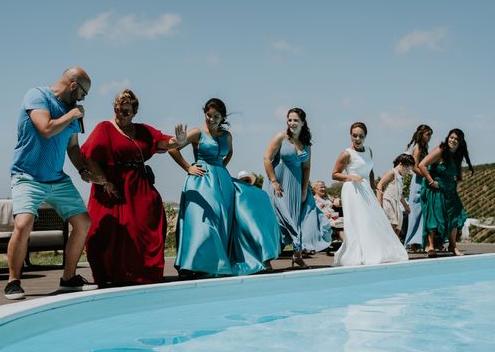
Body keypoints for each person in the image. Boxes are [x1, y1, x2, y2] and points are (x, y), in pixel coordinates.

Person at [6, 67, 97, 300]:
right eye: (84, 92)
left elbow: (73, 147)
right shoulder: (37, 96)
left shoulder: (72, 111)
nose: (84, 98)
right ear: (74, 86)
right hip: (27, 175)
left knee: (83, 223)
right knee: (23, 223)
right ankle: (13, 282)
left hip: (57, 178)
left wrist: (83, 169)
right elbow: (46, 129)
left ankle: (68, 279)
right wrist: (72, 115)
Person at [80, 89, 187, 286]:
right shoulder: (104, 128)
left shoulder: (143, 130)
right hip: (112, 190)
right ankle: (112, 276)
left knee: (145, 231)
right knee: (108, 233)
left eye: (126, 111)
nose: (121, 114)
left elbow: (163, 143)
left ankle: (144, 275)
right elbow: (88, 157)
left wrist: (178, 142)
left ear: (135, 112)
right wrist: (105, 182)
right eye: (118, 110)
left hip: (139, 189)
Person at [170, 98, 279, 277]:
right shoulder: (197, 132)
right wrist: (189, 166)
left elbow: (229, 152)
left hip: (222, 178)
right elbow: (172, 148)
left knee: (249, 203)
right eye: (208, 115)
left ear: (222, 117)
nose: (211, 119)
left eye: (216, 116)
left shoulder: (227, 136)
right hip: (202, 179)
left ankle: (249, 257)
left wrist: (220, 165)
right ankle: (195, 264)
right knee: (205, 221)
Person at [331, 122, 408, 266]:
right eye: (355, 135)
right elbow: (334, 174)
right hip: (352, 190)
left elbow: (371, 171)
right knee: (359, 221)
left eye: (361, 136)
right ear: (351, 135)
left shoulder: (369, 151)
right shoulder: (346, 153)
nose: (358, 139)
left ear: (365, 137)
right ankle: (359, 253)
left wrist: (373, 189)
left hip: (366, 189)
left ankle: (374, 250)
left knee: (373, 220)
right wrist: (350, 177)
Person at [264, 108, 331, 268]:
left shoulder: (306, 144)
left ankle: (297, 255)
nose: (292, 123)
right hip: (279, 186)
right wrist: (273, 181)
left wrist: (303, 189)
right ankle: (266, 259)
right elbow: (267, 158)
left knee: (302, 218)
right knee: (278, 222)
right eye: (289, 120)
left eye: (295, 120)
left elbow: (307, 168)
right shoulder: (281, 137)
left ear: (302, 122)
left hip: (298, 186)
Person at [418, 128, 474, 257]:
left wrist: (459, 178)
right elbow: (422, 165)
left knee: (456, 217)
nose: (453, 140)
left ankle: (453, 246)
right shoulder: (441, 150)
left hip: (450, 190)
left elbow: (458, 168)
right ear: (448, 137)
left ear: (460, 142)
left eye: (456, 139)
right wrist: (431, 181)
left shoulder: (457, 154)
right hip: (435, 188)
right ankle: (430, 246)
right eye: (451, 137)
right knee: (433, 218)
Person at [403, 125, 433, 250]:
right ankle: (412, 241)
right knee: (415, 212)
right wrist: (426, 176)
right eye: (428, 134)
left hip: (422, 180)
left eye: (430, 135)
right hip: (418, 182)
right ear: (421, 134)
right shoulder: (418, 147)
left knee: (422, 213)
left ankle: (419, 241)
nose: (430, 137)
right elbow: (414, 167)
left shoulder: (425, 147)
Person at [376, 154, 414, 240]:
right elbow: (380, 184)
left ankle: (395, 246)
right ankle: (388, 244)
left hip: (396, 203)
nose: (407, 172)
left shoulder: (400, 177)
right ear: (401, 164)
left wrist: (406, 206)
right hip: (388, 201)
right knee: (392, 223)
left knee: (398, 227)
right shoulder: (392, 173)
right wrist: (379, 202)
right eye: (407, 169)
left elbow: (400, 194)